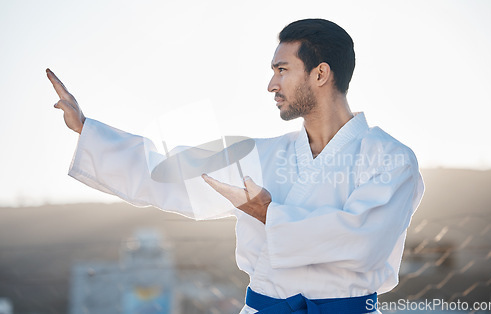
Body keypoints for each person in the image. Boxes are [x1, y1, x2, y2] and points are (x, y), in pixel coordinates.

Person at [47, 18, 424, 314]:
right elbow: (172, 170)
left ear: (321, 74)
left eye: (282, 70)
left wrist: (269, 214)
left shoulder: (391, 159)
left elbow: (364, 244)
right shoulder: (262, 154)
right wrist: (88, 131)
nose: (271, 84)